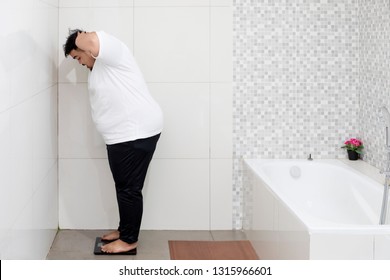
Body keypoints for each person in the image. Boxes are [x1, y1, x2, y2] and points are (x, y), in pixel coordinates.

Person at [63, 29, 163, 254]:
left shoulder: (112, 51)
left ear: (85, 47)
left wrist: (76, 35)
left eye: (78, 57)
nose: (79, 63)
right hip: (127, 135)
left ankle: (129, 240)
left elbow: (89, 40)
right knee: (124, 186)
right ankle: (124, 230)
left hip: (135, 133)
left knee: (129, 189)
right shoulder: (101, 67)